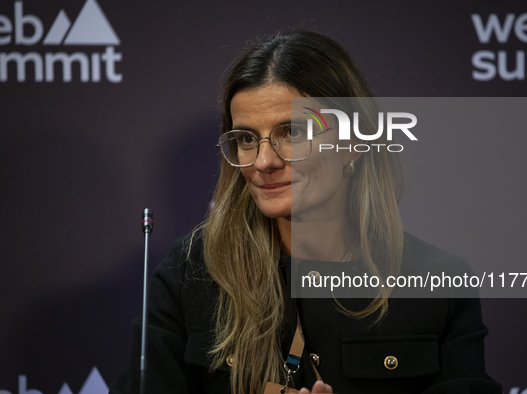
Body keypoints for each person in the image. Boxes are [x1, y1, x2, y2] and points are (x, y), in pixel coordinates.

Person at [110, 30, 502, 394]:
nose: (264, 161)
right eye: (247, 138)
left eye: (292, 133)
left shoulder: (437, 282)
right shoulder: (191, 272)